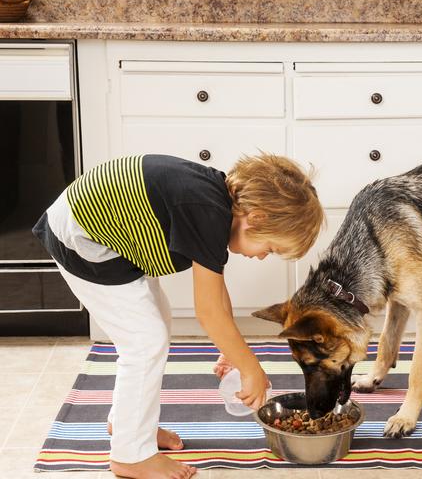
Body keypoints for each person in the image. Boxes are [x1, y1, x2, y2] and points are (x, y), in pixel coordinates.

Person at [33, 153, 324, 479]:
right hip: (83, 238)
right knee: (145, 343)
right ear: (254, 219)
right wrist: (250, 368)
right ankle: (130, 455)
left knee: (156, 322)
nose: (260, 257)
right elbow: (208, 312)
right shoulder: (209, 212)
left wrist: (230, 351)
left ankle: (128, 424)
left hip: (111, 239)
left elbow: (216, 293)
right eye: (269, 248)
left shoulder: (216, 205)